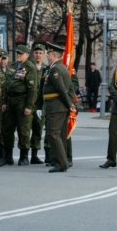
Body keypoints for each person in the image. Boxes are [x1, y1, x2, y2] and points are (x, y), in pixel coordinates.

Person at [38, 41, 73, 173]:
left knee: (53, 134)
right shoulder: (62, 67)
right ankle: (62, 161)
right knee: (60, 135)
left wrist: (70, 104)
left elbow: (61, 89)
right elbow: (70, 88)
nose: (47, 56)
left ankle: (61, 162)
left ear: (53, 55)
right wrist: (69, 104)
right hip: (60, 106)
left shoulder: (55, 69)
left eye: (48, 54)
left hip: (55, 106)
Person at [1, 45, 38, 165]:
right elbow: (6, 85)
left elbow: (33, 89)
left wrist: (29, 106)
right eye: (17, 53)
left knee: (24, 129)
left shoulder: (30, 67)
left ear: (27, 55)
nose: (18, 55)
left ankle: (24, 156)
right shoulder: (11, 66)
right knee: (7, 128)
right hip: (10, 100)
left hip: (22, 100)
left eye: (21, 53)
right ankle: (8, 156)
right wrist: (4, 102)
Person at [29, 43, 46, 164]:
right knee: (25, 129)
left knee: (38, 129)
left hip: (41, 104)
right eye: (36, 52)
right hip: (29, 103)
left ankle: (35, 154)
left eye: (40, 53)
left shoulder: (47, 69)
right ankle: (24, 155)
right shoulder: (28, 67)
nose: (38, 55)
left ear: (44, 54)